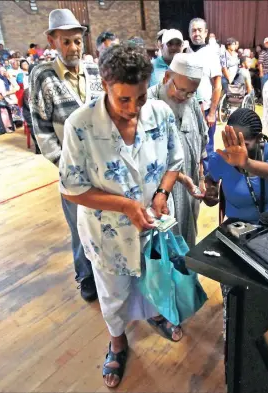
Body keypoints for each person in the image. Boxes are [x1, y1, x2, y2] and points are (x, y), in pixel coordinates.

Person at [59, 43, 184, 388]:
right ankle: (117, 342)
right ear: (104, 84)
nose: (133, 109)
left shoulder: (159, 113)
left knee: (155, 275)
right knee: (113, 291)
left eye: (140, 98)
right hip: (108, 232)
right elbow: (71, 188)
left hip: (154, 223)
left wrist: (161, 193)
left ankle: (156, 313)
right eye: (123, 100)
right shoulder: (81, 125)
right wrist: (127, 206)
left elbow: (174, 162)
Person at [29, 8, 104, 301]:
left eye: (77, 41)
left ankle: (104, 270)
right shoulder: (42, 76)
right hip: (71, 168)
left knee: (101, 221)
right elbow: (41, 127)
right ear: (52, 41)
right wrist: (63, 164)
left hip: (101, 163)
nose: (73, 48)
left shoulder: (95, 71)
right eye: (66, 41)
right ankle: (85, 275)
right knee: (79, 225)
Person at [203, 108, 268, 339]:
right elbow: (210, 181)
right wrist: (211, 193)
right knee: (234, 287)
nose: (235, 147)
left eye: (243, 141)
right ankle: (233, 322)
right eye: (230, 139)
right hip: (237, 235)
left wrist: (247, 164)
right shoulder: (220, 159)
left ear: (258, 138)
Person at [148, 52, 208, 248]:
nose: (185, 97)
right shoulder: (147, 104)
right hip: (158, 195)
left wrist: (201, 178)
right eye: (181, 90)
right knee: (161, 249)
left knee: (187, 243)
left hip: (189, 190)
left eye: (191, 92)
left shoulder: (191, 103)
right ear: (166, 77)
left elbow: (202, 141)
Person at [189, 17, 222, 174]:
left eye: (199, 30)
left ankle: (210, 183)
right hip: (188, 110)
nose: (196, 33)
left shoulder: (211, 54)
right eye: (193, 30)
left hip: (207, 110)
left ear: (206, 32)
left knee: (207, 149)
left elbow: (217, 85)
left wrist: (212, 113)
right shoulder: (185, 53)